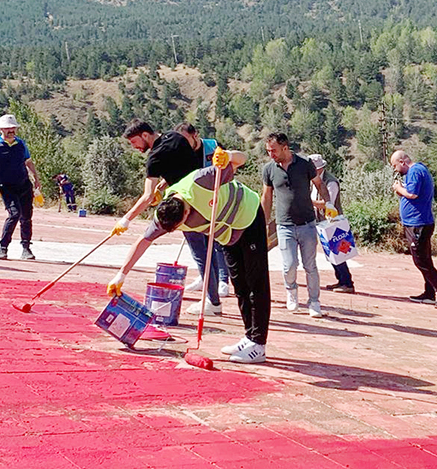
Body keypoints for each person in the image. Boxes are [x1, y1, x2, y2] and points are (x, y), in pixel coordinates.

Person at [108, 149, 271, 364]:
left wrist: (228, 156)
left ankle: (258, 344)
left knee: (256, 282)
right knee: (240, 284)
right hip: (228, 235)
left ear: (185, 213)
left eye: (179, 226)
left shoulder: (202, 181)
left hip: (248, 215)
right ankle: (249, 337)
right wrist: (120, 275)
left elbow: (242, 159)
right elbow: (144, 241)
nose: (177, 229)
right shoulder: (165, 213)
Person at [118, 121, 221, 312]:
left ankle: (213, 302)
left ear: (145, 135)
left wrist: (126, 219)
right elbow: (184, 167)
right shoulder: (176, 137)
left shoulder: (154, 157)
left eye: (134, 142)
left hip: (185, 207)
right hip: (206, 199)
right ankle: (213, 297)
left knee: (200, 254)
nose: (134, 147)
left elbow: (147, 196)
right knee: (208, 251)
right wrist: (164, 184)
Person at [261, 133, 323, 317]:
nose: (271, 154)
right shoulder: (269, 169)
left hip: (307, 224)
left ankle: (314, 301)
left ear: (285, 148)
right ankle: (291, 292)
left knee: (310, 265)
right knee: (289, 265)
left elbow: (319, 184)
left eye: (273, 150)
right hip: (284, 225)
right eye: (268, 151)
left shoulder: (305, 164)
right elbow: (266, 196)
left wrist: (328, 204)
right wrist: (263, 222)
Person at [390, 149, 437, 307]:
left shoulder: (415, 171)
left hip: (418, 223)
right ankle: (429, 293)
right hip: (418, 222)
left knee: (421, 260)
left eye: (395, 165)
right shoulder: (416, 171)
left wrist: (399, 188)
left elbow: (412, 194)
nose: (395, 169)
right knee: (425, 259)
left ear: (402, 162)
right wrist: (402, 191)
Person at [178, 124, 232, 300]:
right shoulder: (182, 152)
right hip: (195, 202)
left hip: (217, 199)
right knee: (201, 246)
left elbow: (230, 167)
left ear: (195, 135)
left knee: (217, 242)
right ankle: (207, 278)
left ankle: (223, 280)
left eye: (185, 139)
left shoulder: (213, 146)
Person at [0, 114, 43, 261]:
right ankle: (3, 247)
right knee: (14, 214)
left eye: (13, 128)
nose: (11, 130)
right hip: (6, 186)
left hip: (24, 185)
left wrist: (36, 179)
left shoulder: (21, 144)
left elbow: (28, 162)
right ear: (1, 129)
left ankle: (26, 248)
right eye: (8, 128)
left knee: (26, 216)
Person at [310, 153, 354, 292]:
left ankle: (347, 283)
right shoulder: (314, 181)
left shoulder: (331, 182)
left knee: (338, 252)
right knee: (331, 253)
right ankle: (341, 280)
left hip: (333, 223)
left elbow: (328, 204)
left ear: (319, 169)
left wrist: (308, 202)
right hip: (323, 222)